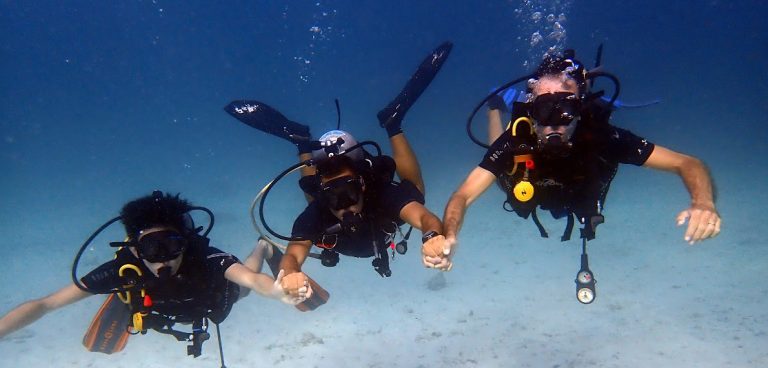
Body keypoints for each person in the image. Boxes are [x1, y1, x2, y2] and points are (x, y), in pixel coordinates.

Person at [424, 50, 721, 273]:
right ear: (530, 109)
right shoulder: (519, 139)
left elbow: (688, 163)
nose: (555, 122)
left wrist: (704, 202)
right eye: (544, 109)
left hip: (576, 193)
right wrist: (450, 235)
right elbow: (463, 194)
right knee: (501, 152)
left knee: (503, 153)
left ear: (580, 108)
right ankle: (495, 106)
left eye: (564, 108)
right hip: (524, 183)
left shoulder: (603, 136)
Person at [224, 42, 452, 299]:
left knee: (416, 192)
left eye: (350, 192)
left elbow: (425, 219)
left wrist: (432, 235)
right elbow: (292, 255)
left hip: (365, 204)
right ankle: (303, 143)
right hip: (324, 203)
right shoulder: (318, 211)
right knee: (314, 200)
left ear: (363, 185)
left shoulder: (384, 196)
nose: (345, 204)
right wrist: (289, 273)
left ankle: (393, 123)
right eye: (334, 196)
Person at [0, 191, 303, 362]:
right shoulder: (124, 268)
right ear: (134, 248)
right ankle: (124, 297)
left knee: (244, 288)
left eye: (171, 246)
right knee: (126, 285)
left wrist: (277, 292)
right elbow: (47, 304)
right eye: (151, 248)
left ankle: (262, 247)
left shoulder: (205, 258)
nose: (163, 259)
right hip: (157, 305)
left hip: (210, 298)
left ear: (184, 242)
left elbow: (252, 280)